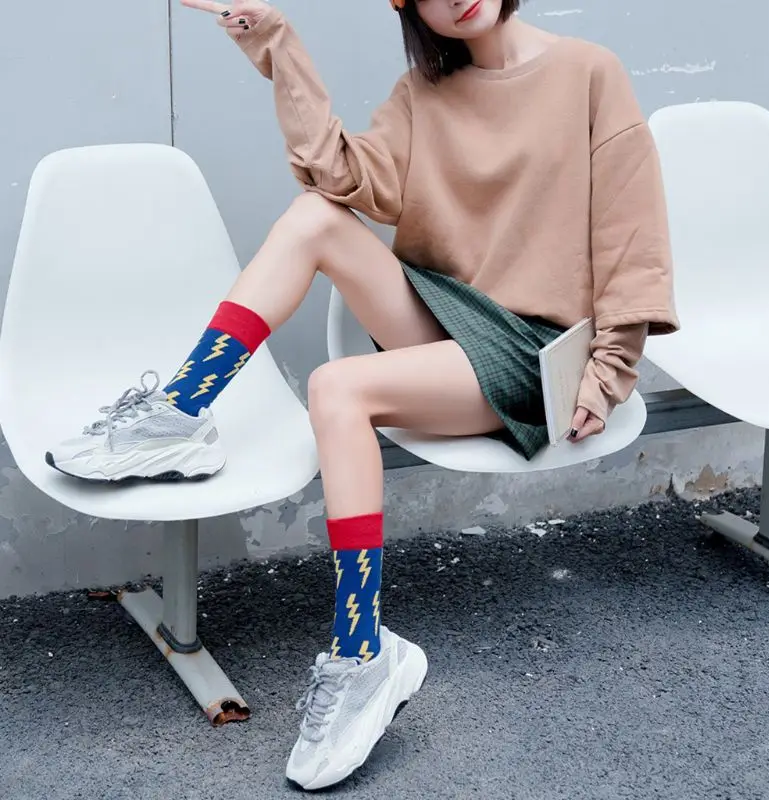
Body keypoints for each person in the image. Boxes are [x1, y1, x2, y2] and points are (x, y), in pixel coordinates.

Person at [47, 0, 679, 790]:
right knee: (314, 215)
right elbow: (338, 175)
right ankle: (180, 412)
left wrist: (611, 366)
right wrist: (275, 41)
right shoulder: (423, 96)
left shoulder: (588, 72)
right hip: (449, 319)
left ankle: (361, 653)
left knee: (337, 388)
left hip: (530, 351)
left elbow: (632, 232)